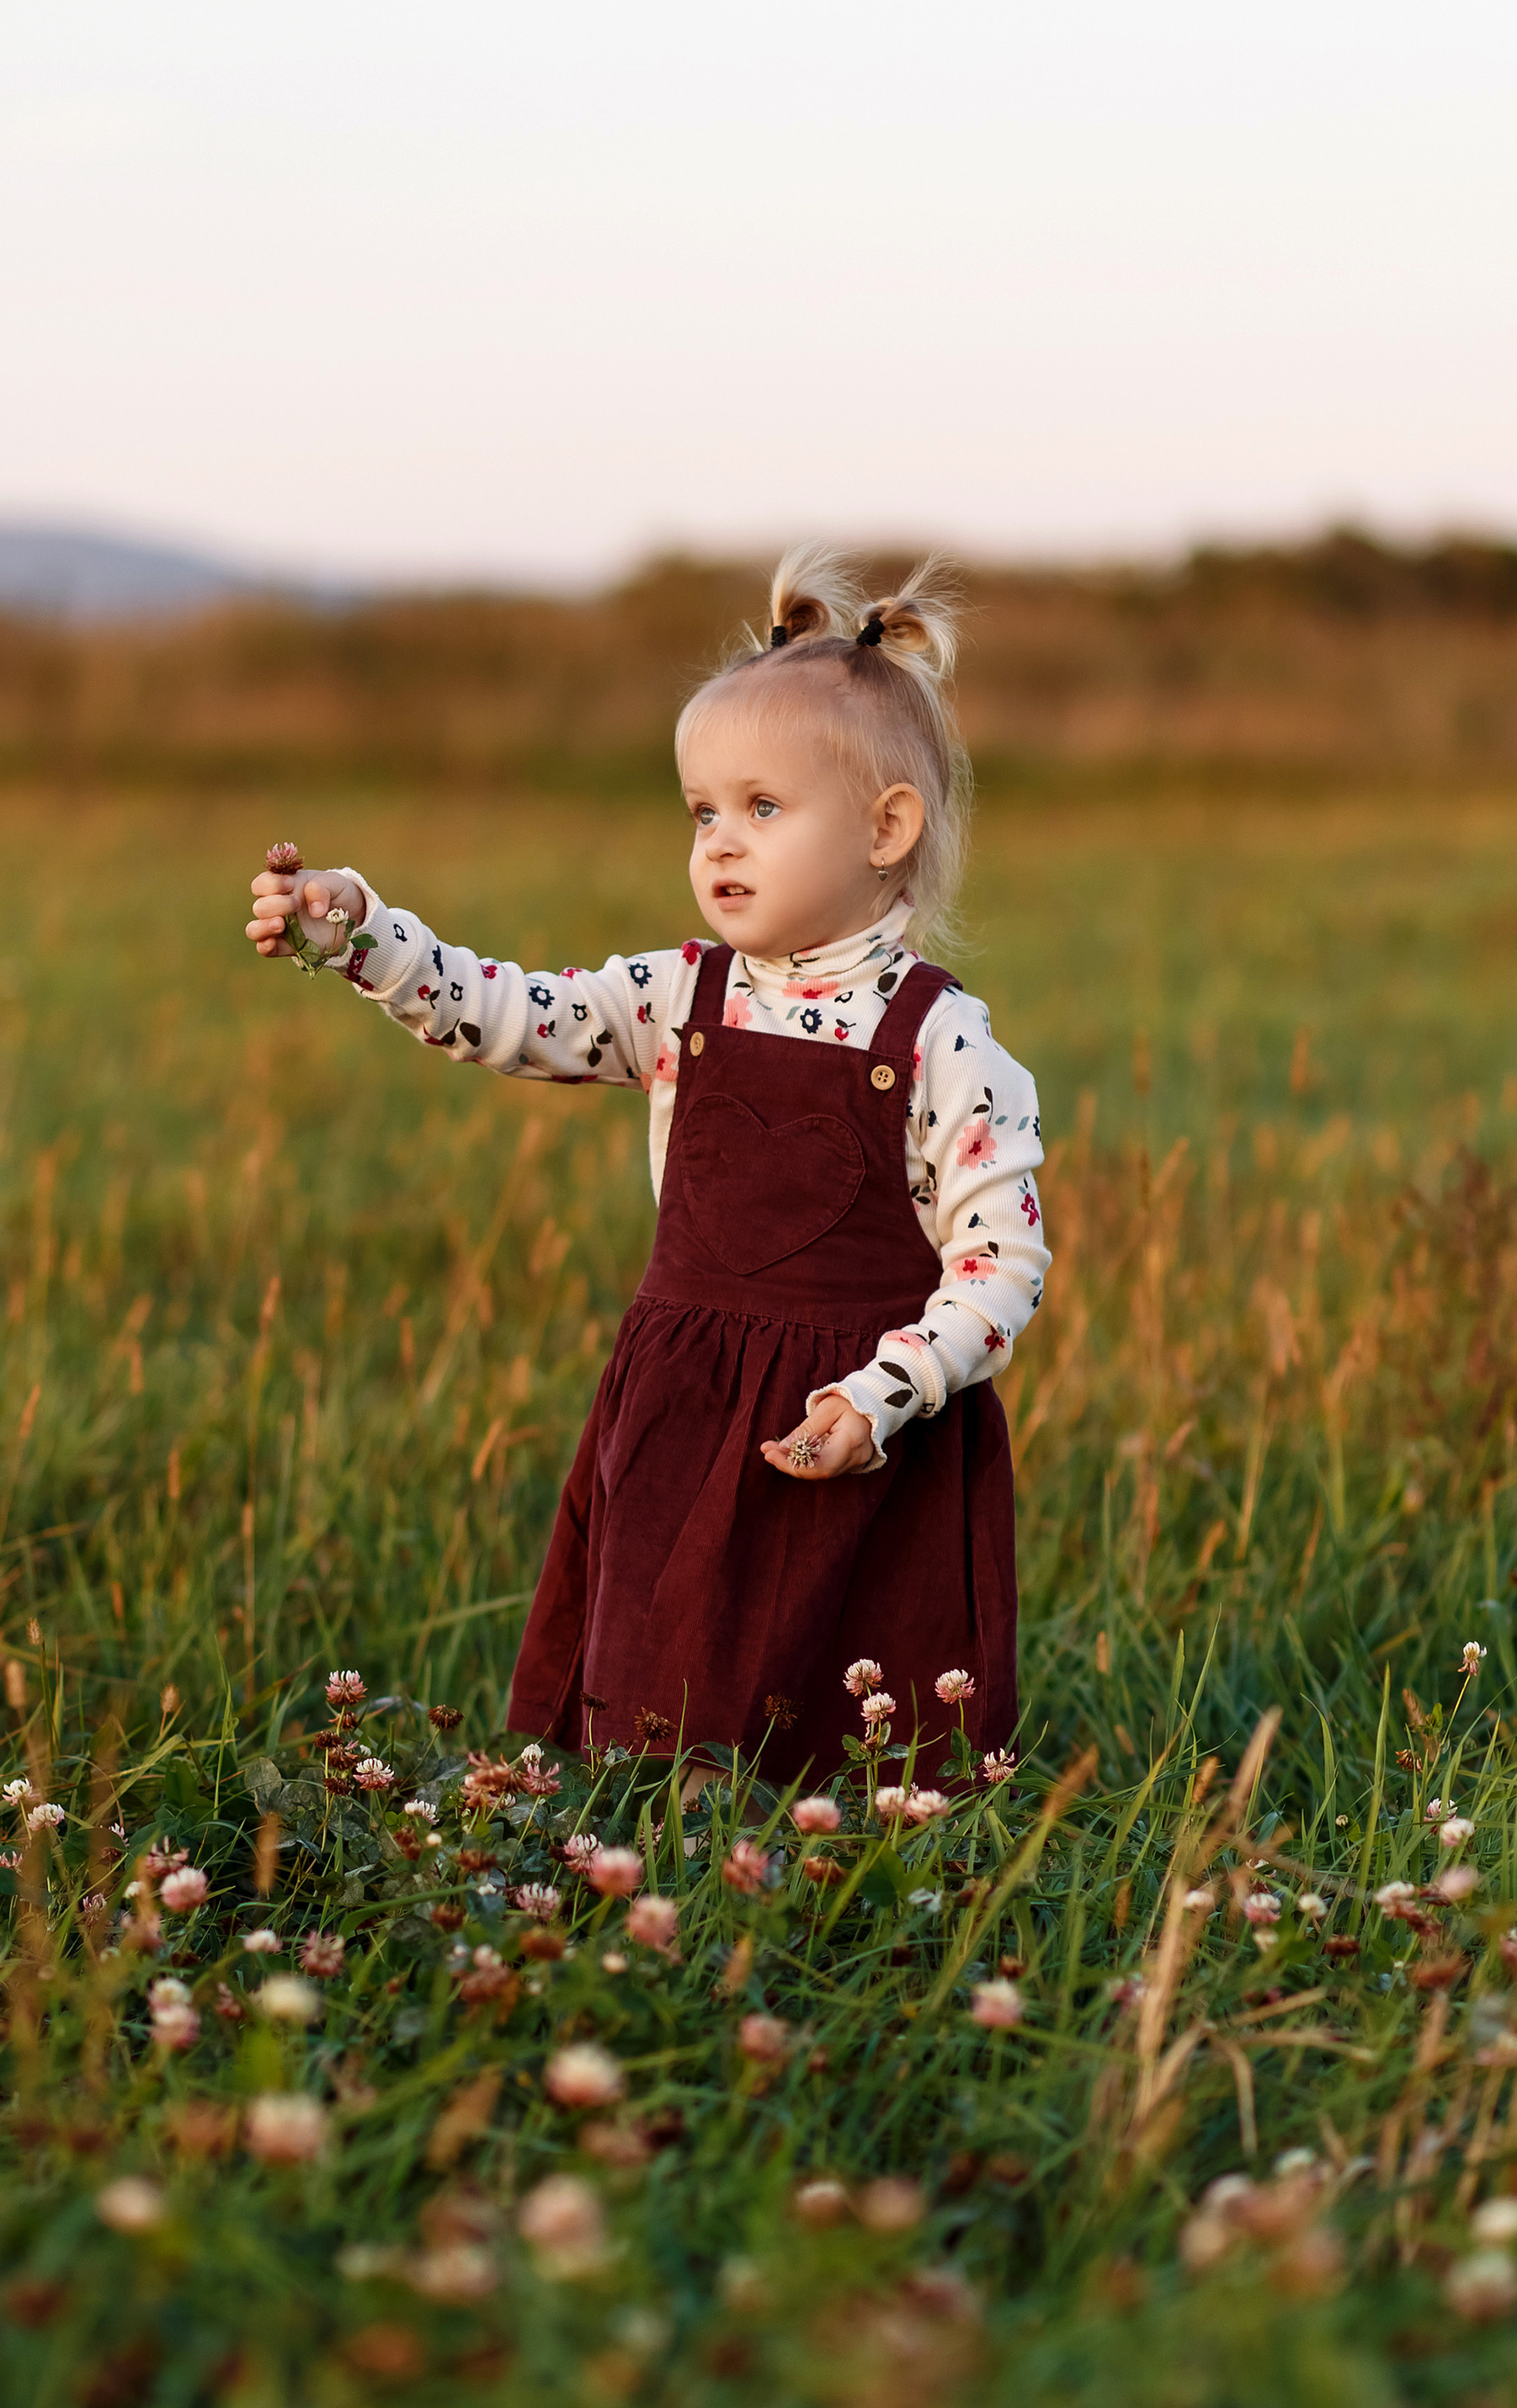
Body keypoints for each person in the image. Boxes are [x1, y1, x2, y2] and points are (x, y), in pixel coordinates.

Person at [244, 550, 1048, 1784]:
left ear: (888, 826)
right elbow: (504, 1013)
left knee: (859, 1722)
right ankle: (651, 1868)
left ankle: (863, 1903)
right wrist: (368, 935)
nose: (720, 844)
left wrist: (881, 1395)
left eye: (763, 810)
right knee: (668, 1704)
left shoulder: (944, 1041)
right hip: (685, 1408)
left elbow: (1001, 1273)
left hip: (867, 1424)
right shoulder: (678, 996)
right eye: (702, 812)